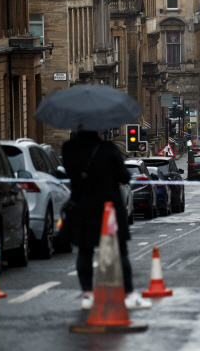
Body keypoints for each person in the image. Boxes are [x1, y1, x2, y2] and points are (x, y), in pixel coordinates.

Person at [62, 131, 151, 310]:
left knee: (84, 252)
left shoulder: (68, 149)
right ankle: (129, 294)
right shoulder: (107, 149)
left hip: (83, 207)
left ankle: (87, 295)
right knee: (120, 252)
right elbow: (124, 177)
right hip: (108, 209)